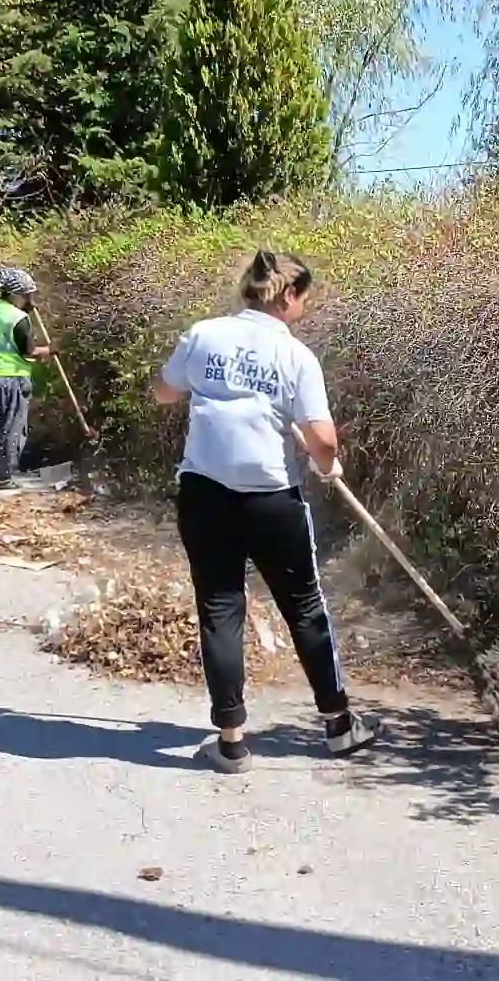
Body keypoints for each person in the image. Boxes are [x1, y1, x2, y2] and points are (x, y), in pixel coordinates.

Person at [150, 250, 379, 774]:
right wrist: (328, 465)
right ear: (289, 296)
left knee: (220, 606)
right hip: (272, 499)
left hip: (205, 494)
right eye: (305, 299)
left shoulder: (204, 334)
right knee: (303, 606)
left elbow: (164, 392)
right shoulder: (295, 355)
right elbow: (321, 438)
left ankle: (231, 743)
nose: (304, 308)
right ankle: (339, 726)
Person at [0, 266, 53, 490]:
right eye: (28, 294)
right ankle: (4, 478)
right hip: (9, 378)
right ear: (16, 295)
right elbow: (28, 351)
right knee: (11, 428)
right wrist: (50, 350)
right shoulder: (18, 318)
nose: (31, 299)